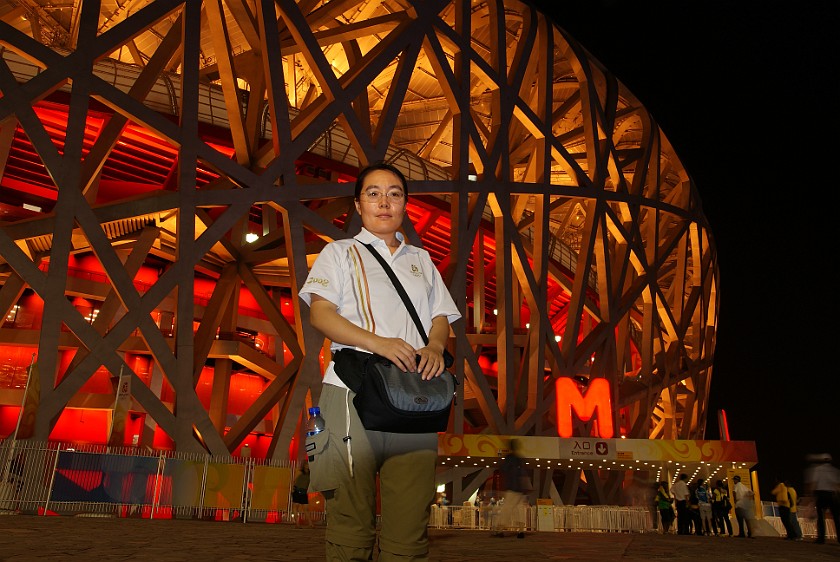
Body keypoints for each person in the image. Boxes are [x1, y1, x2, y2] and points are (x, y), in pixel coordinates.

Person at [299, 161, 461, 561]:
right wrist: (380, 343)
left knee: (410, 528)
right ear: (358, 205)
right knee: (349, 521)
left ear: (405, 204)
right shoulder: (338, 253)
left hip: (412, 394)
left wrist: (436, 348)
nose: (384, 202)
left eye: (394, 194)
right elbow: (321, 313)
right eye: (373, 193)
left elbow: (441, 318)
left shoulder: (422, 260)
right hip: (351, 389)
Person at [491, 439, 529, 539]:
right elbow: (523, 473)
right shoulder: (520, 459)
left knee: (507, 509)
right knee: (519, 510)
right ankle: (521, 531)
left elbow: (503, 469)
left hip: (512, 487)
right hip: (520, 488)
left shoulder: (509, 458)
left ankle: (499, 529)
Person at [804, 453, 840, 544]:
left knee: (820, 517)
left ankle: (821, 538)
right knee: (836, 518)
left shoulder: (817, 470)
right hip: (832, 495)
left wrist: (810, 496)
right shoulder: (834, 470)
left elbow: (813, 484)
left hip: (821, 494)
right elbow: (837, 485)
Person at [291, 463, 314, 528]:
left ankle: (310, 524)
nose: (307, 466)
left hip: (304, 492)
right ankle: (297, 524)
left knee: (306, 509)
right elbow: (294, 480)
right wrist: (293, 489)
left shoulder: (310, 474)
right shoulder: (299, 472)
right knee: (296, 507)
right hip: (297, 490)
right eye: (306, 464)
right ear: (304, 465)